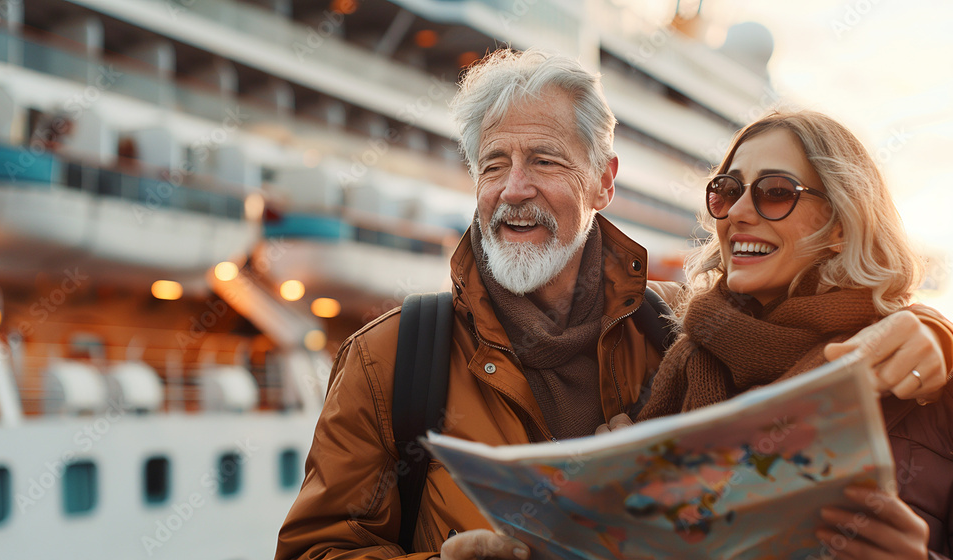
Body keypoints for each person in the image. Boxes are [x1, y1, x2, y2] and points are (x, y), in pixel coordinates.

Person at [275, 50, 953, 560]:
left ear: (603, 181)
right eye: (492, 164)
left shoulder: (675, 330)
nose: (514, 189)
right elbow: (314, 550)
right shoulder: (389, 357)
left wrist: (927, 326)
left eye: (545, 160)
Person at [619, 111, 952, 559]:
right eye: (728, 191)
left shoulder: (926, 371)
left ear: (840, 224)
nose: (737, 212)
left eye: (775, 192)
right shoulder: (682, 360)